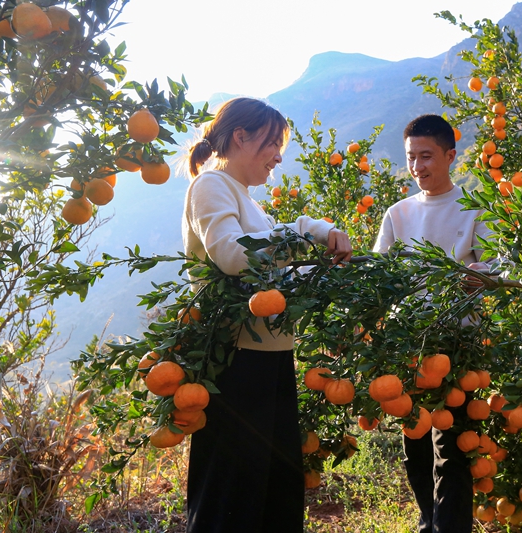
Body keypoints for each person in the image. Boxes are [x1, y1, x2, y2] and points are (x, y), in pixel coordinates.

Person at [182, 97, 352, 532]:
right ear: (241, 136)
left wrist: (321, 237)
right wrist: (301, 241)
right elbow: (234, 255)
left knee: (273, 485)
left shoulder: (246, 199)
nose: (279, 155)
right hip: (235, 359)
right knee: (232, 489)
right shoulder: (211, 185)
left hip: (269, 354)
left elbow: (276, 250)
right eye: (273, 143)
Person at [373, 114, 493, 533]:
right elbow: (377, 275)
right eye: (411, 158)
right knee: (416, 443)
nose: (418, 166)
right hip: (411, 343)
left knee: (455, 448)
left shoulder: (475, 208)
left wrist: (482, 272)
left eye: (426, 156)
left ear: (449, 156)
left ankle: (452, 528)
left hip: (460, 343)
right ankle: (430, 521)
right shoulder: (398, 213)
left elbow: (499, 264)